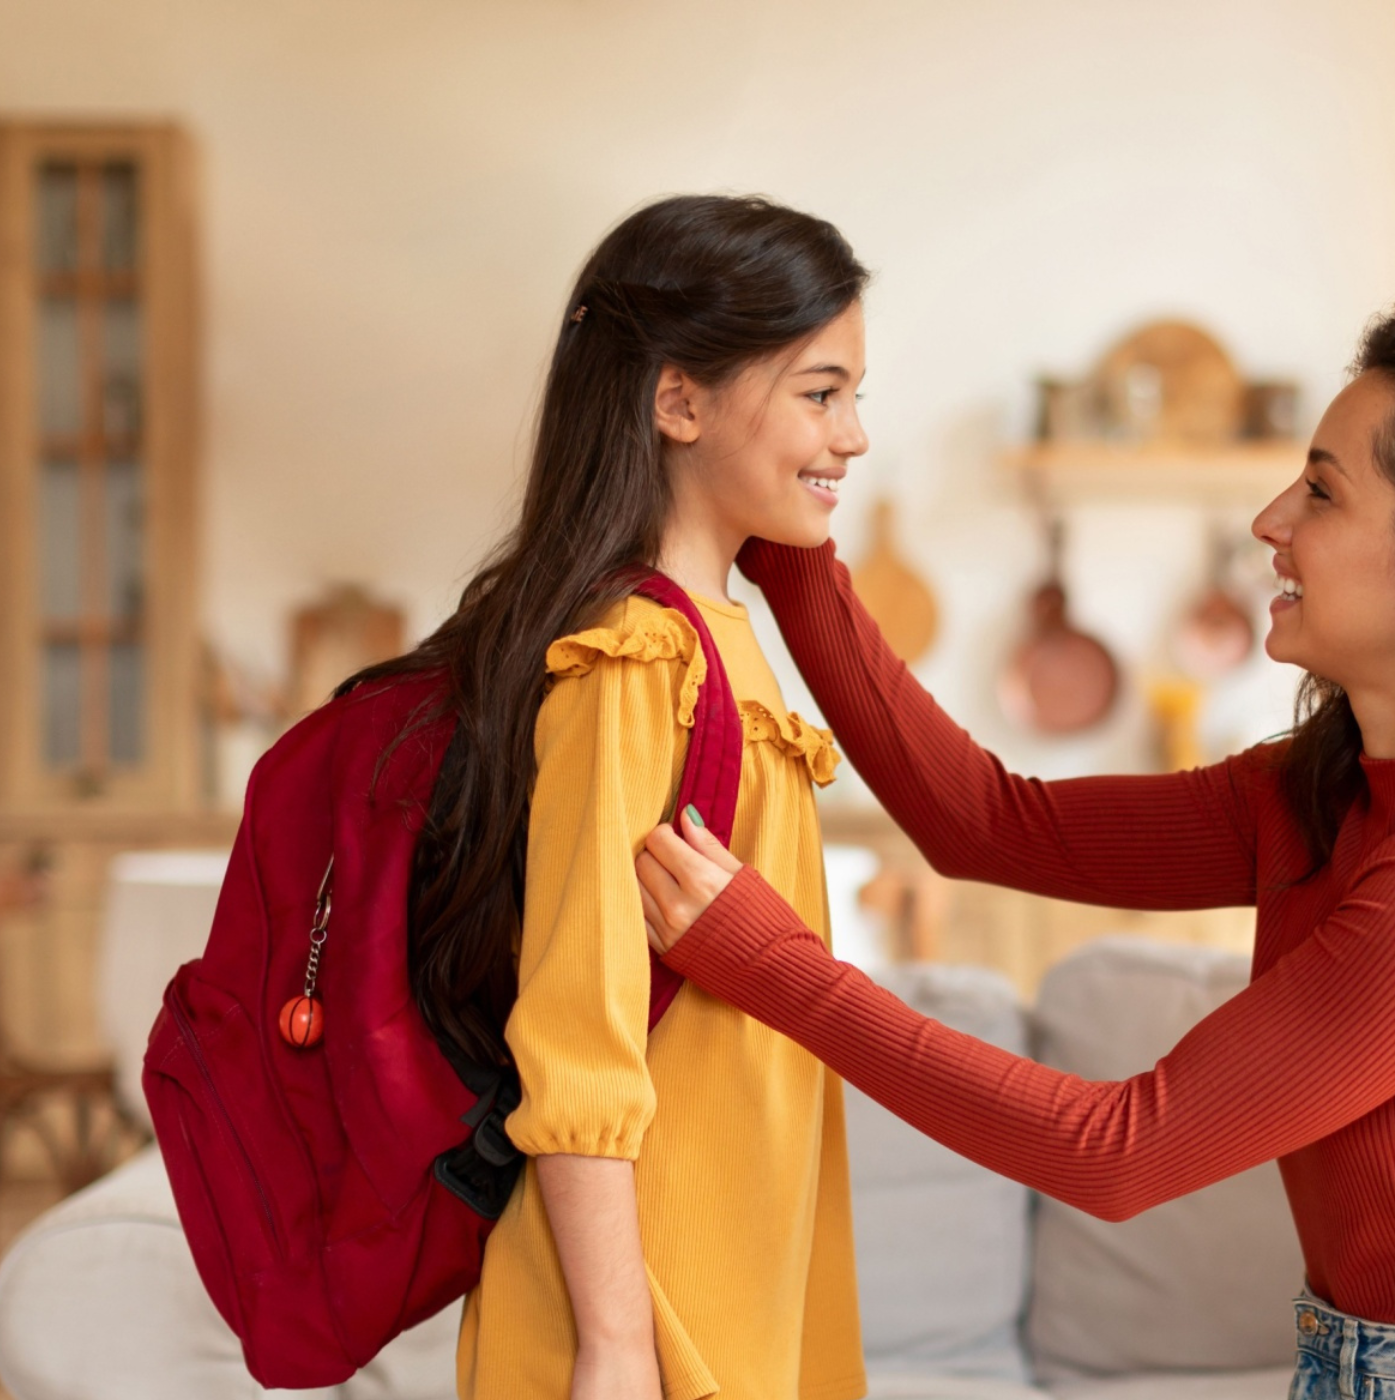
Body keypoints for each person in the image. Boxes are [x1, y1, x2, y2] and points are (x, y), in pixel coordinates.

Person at [634, 302, 1395, 1400]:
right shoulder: (1323, 796)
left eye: (1323, 494)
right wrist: (787, 550)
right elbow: (983, 821)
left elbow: (1116, 1151)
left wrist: (771, 963)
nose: (1270, 521)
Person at [353, 194, 873, 1400]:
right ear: (677, 400)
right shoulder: (635, 661)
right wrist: (617, 1344)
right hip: (651, 1300)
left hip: (739, 1259)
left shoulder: (725, 637)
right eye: (818, 392)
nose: (850, 437)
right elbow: (576, 1027)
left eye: (856, 398)